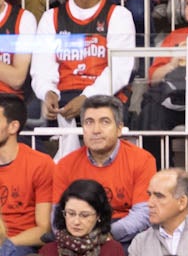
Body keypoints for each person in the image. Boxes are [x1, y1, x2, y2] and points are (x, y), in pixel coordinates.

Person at [31, 0, 136, 125]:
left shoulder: (119, 15)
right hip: (62, 95)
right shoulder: (51, 17)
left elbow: (120, 70)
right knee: (25, 118)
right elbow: (41, 67)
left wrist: (87, 97)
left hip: (106, 96)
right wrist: (48, 92)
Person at [50, 102, 152, 247]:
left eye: (105, 122)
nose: (96, 130)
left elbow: (143, 214)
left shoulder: (142, 160)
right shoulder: (65, 164)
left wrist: (102, 234)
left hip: (122, 234)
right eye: (89, 122)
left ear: (119, 129)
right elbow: (57, 216)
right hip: (76, 231)